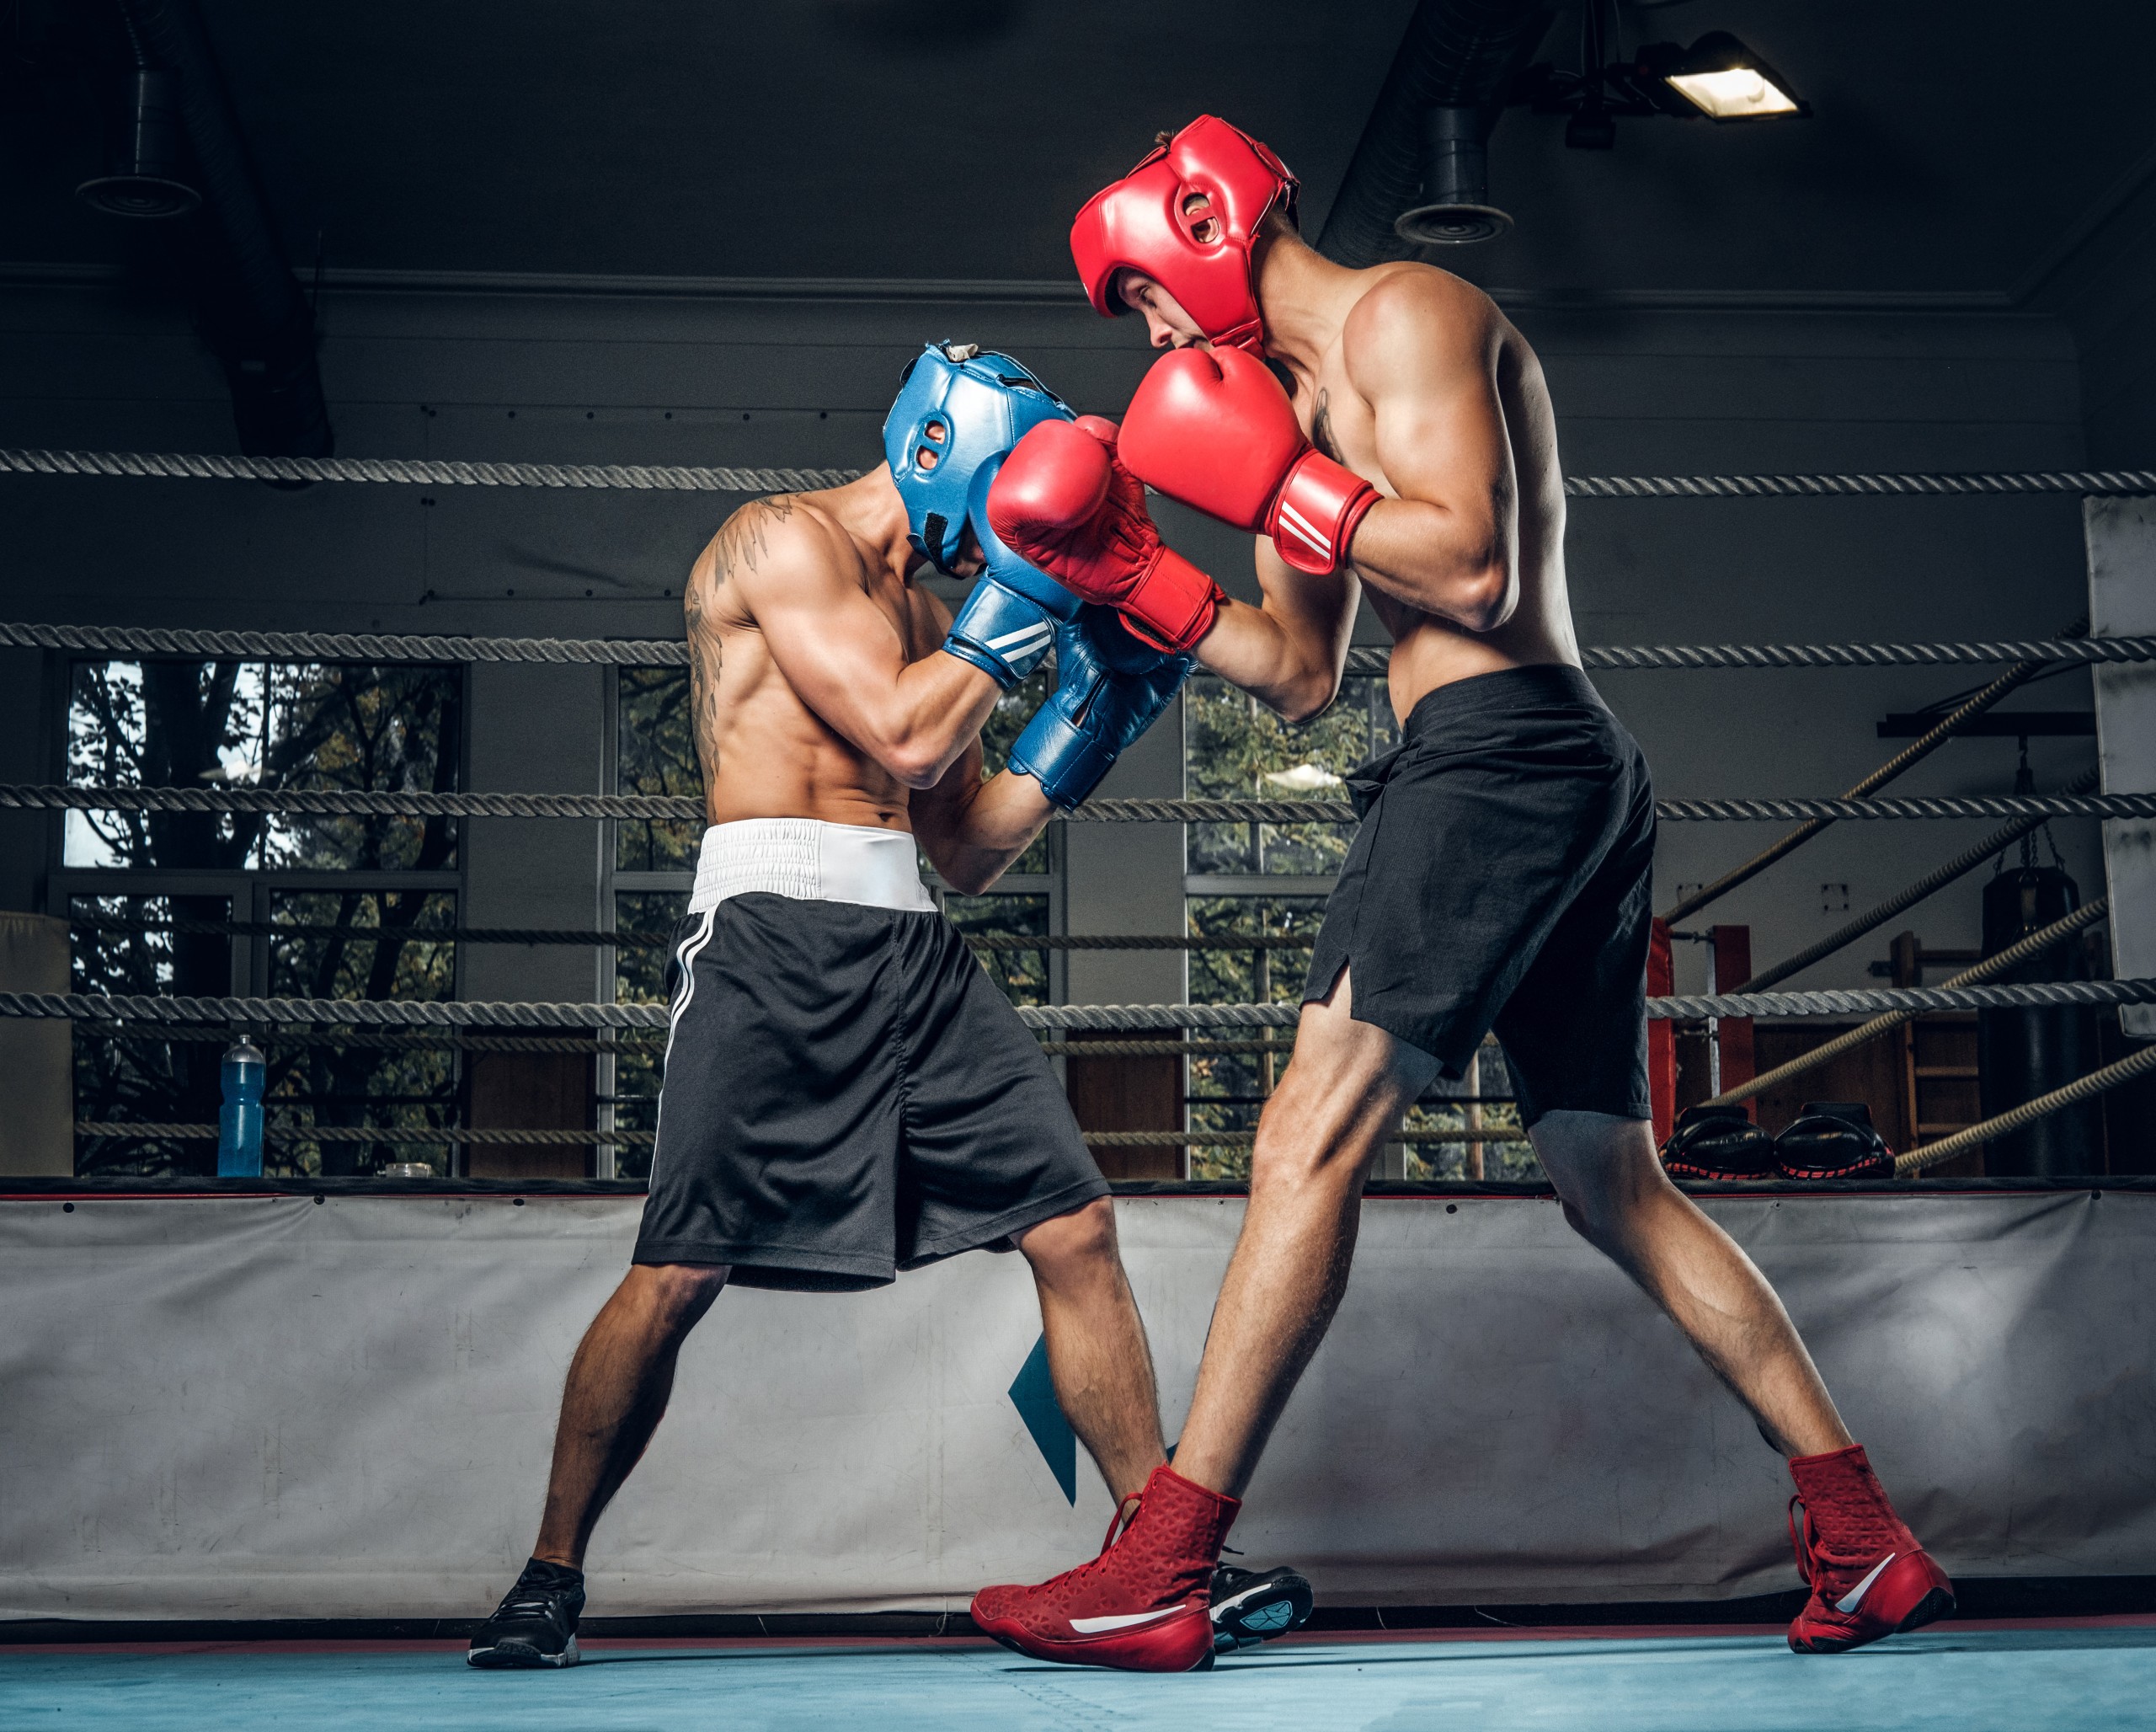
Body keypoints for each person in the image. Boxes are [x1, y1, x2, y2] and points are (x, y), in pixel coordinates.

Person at [969, 117, 1953, 1671]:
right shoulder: (1289, 404)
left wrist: (1281, 480)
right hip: (1538, 765)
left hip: (1505, 753)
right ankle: (1861, 1530)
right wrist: (1129, 577)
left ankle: (1162, 1562)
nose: (1150, 335)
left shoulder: (1406, 314)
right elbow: (1299, 676)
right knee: (1608, 1179)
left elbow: (1476, 570)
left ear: (1205, 221)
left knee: (1306, 1129)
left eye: (1144, 296)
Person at [467, 342, 1304, 1669]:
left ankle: (1157, 1550)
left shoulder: (932, 623)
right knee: (681, 1270)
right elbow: (909, 737)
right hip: (769, 931)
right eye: (1009, 517)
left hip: (907, 942)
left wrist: (1085, 729)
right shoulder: (779, 544)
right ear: (947, 456)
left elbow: (965, 842)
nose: (1001, 551)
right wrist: (1028, 594)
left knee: (1075, 1225)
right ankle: (549, 1570)